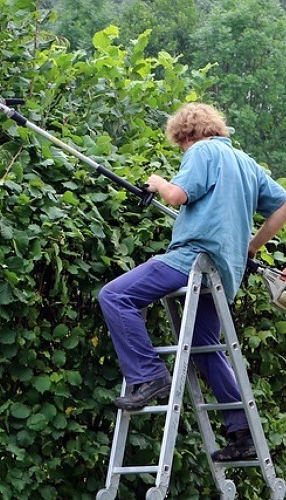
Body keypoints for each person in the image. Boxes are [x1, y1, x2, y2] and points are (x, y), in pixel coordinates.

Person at [98, 102, 286, 461]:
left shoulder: (201, 150)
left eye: (179, 144)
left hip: (192, 259)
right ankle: (242, 432)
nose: (182, 150)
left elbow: (178, 196)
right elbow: (283, 205)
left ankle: (149, 375)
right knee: (204, 347)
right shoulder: (247, 164)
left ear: (185, 134)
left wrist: (158, 183)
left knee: (115, 296)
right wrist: (250, 247)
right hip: (223, 271)